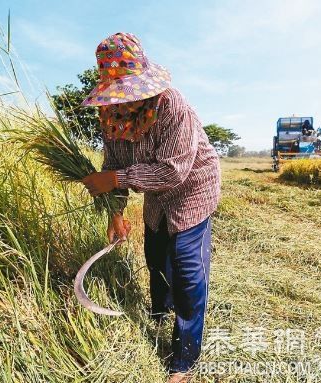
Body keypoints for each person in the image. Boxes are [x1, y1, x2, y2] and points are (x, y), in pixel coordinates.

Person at [81, 32, 221, 383]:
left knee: (188, 271)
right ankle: (160, 313)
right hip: (155, 193)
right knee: (157, 258)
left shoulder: (172, 105)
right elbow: (113, 160)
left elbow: (173, 171)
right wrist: (116, 212)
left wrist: (114, 179)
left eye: (129, 90)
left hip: (192, 189)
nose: (124, 101)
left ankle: (184, 360)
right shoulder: (110, 115)